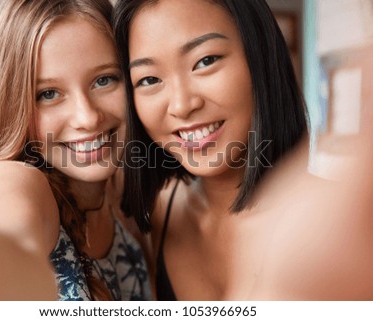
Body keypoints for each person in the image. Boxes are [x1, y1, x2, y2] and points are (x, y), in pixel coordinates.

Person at [113, 0, 373, 300]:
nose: (182, 105)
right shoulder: (160, 211)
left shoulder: (343, 231)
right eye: (149, 80)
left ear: (260, 56)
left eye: (206, 60)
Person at [0, 0, 151, 301]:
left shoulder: (124, 209)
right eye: (49, 94)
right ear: (11, 106)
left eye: (104, 79)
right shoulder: (9, 184)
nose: (88, 117)